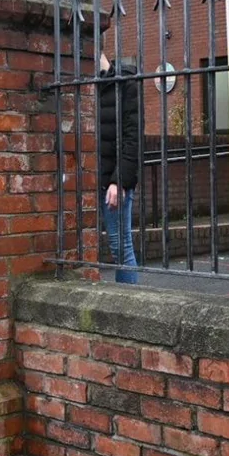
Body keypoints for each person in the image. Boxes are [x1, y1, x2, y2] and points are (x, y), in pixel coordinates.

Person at [98, 51, 141, 283]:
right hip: (85, 179)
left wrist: (119, 181)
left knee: (120, 247)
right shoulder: (84, 85)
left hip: (112, 182)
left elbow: (133, 138)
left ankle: (130, 307)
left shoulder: (125, 83)